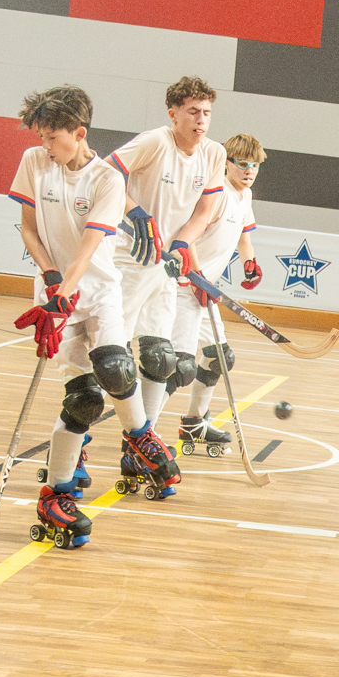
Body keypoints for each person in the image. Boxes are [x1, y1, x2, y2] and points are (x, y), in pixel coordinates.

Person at [8, 84, 176, 547]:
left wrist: (68, 285)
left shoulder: (106, 179)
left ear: (79, 133)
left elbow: (87, 247)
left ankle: (140, 435)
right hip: (55, 294)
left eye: (53, 138)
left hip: (98, 290)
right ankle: (56, 495)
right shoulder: (34, 162)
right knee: (84, 400)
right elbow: (28, 229)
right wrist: (50, 277)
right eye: (41, 137)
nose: (45, 146)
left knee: (117, 368)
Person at [109, 75, 229, 499]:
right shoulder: (154, 143)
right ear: (173, 113)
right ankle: (78, 443)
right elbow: (103, 174)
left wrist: (183, 242)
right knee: (109, 360)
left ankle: (137, 449)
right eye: (193, 111)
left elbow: (204, 211)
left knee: (160, 360)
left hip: (164, 268)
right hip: (128, 260)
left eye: (207, 113)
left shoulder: (214, 153)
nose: (201, 120)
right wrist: (134, 210)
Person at [162, 133, 264, 456]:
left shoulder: (245, 196)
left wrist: (249, 263)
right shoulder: (216, 192)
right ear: (227, 163)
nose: (249, 171)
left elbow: (244, 237)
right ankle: (140, 432)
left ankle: (194, 422)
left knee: (220, 356)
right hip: (183, 286)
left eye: (255, 165)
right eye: (242, 164)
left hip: (203, 291)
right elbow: (188, 234)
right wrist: (197, 277)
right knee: (176, 366)